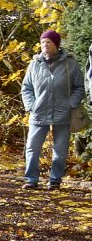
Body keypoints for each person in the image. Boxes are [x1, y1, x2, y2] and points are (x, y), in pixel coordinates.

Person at [21, 29, 85, 190]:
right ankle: (31, 180)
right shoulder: (35, 64)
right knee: (32, 147)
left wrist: (71, 103)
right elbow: (26, 88)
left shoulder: (70, 63)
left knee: (60, 149)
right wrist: (31, 105)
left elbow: (79, 87)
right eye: (42, 42)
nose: (44, 45)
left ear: (56, 44)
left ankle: (55, 180)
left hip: (63, 113)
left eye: (48, 42)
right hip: (38, 112)